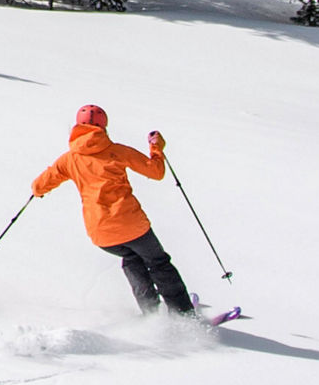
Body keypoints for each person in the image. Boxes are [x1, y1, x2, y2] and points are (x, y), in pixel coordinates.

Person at [29, 104, 196, 315]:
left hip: (101, 233)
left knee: (132, 260)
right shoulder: (117, 152)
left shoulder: (69, 159)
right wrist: (156, 148)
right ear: (104, 126)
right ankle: (184, 315)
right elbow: (156, 172)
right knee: (158, 263)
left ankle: (152, 314)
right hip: (132, 224)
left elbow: (38, 186)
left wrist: (38, 191)